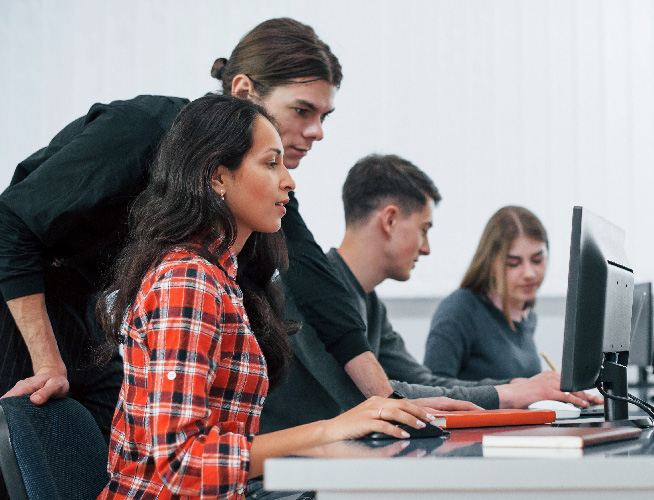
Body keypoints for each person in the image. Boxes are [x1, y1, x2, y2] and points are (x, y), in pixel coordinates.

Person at [0, 18, 392, 442]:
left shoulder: (257, 194)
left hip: (80, 311)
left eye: (324, 115)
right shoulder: (142, 128)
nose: (316, 131)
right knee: (40, 447)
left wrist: (386, 400)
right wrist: (47, 363)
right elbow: (10, 224)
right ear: (243, 90)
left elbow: (315, 281)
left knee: (120, 451)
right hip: (20, 297)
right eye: (302, 110)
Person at [96, 94, 431, 500]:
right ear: (218, 177)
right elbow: (180, 463)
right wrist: (325, 434)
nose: (289, 180)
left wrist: (327, 444)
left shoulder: (222, 278)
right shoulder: (188, 280)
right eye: (271, 163)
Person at [260, 155, 601, 433]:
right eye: (424, 230)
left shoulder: (370, 304)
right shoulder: (313, 294)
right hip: (286, 483)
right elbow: (372, 397)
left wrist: (523, 387)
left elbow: (421, 380)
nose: (426, 249)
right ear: (390, 220)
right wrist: (510, 394)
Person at [423, 206, 548, 380]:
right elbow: (433, 389)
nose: (529, 273)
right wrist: (516, 392)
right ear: (490, 263)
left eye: (537, 260)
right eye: (513, 263)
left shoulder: (526, 316)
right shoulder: (459, 309)